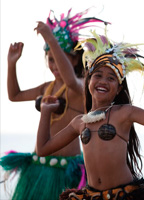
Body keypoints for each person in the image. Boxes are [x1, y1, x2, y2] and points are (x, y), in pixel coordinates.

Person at [35, 29, 144, 200]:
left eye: (111, 78)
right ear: (89, 81)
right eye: (98, 75)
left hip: (125, 195)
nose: (103, 81)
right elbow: (43, 149)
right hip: (91, 195)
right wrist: (45, 112)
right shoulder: (79, 122)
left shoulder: (124, 113)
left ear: (118, 89)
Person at [0, 8, 108, 200]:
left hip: (66, 171)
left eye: (60, 59)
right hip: (38, 167)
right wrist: (11, 64)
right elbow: (14, 95)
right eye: (50, 60)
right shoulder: (46, 88)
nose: (54, 65)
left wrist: (51, 40)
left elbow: (70, 80)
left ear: (75, 59)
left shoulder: (80, 87)